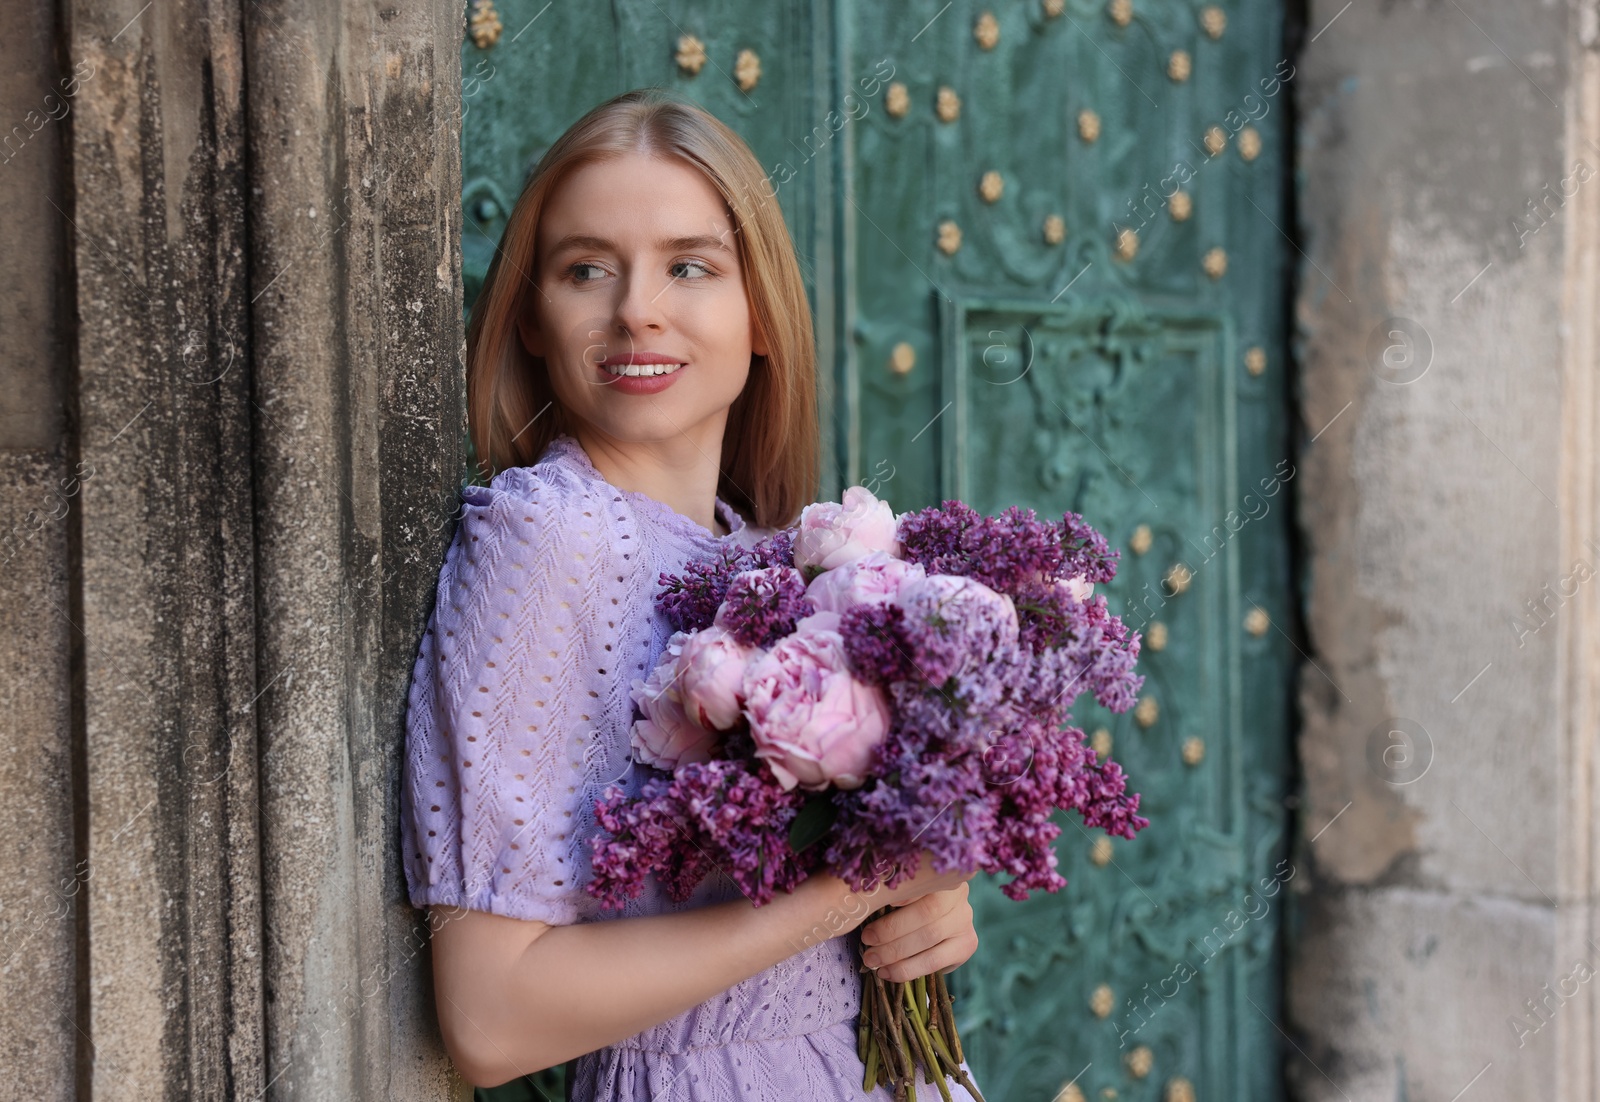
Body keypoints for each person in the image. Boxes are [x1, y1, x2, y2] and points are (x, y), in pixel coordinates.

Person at [400, 88, 983, 1099]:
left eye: (689, 265)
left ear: (761, 313)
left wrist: (924, 907)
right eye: (586, 268)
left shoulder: (776, 561)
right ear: (532, 319)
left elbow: (835, 909)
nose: (636, 308)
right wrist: (839, 895)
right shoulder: (548, 536)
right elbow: (491, 1018)